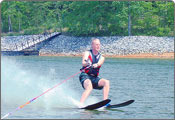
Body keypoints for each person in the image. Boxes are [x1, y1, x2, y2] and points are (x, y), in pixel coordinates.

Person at [79, 38, 110, 105]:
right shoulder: (87, 53)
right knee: (89, 87)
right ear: (92, 45)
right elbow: (83, 62)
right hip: (85, 75)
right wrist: (87, 63)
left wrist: (97, 64)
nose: (98, 46)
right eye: (96, 44)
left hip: (94, 78)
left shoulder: (102, 57)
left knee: (106, 82)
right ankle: (80, 104)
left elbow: (100, 62)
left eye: (99, 44)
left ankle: (105, 102)